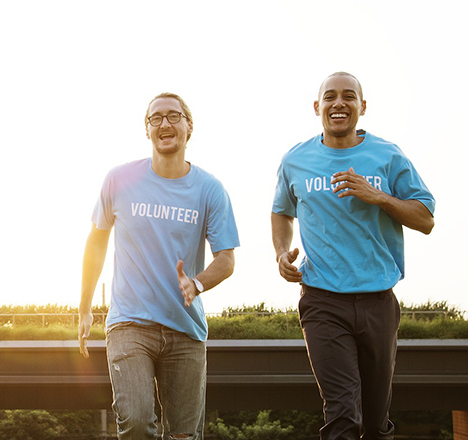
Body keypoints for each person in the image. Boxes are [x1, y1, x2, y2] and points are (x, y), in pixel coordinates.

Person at [271, 72, 436, 440]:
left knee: (375, 423)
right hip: (322, 301)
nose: (338, 103)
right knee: (343, 415)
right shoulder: (295, 160)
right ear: (318, 107)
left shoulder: (387, 156)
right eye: (330, 97)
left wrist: (378, 196)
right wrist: (282, 252)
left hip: (378, 301)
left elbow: (425, 219)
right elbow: (281, 211)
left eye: (349, 96)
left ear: (362, 106)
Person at [79, 93, 239, 439]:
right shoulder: (119, 180)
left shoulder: (210, 190)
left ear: (188, 127)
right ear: (147, 130)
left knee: (184, 435)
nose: (165, 123)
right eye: (156, 118)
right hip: (129, 325)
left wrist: (197, 284)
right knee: (136, 423)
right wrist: (84, 308)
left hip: (185, 329)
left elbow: (226, 260)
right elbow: (96, 242)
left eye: (174, 116)